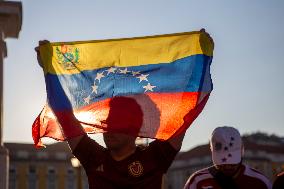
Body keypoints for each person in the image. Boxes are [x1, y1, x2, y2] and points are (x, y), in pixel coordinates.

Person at [35, 43, 187, 189]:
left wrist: (201, 55)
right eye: (107, 123)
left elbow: (184, 112)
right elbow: (64, 115)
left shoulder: (155, 157)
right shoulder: (93, 157)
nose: (108, 130)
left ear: (134, 130)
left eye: (117, 123)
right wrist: (49, 70)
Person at [183, 126, 272, 189]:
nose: (227, 166)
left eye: (232, 163)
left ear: (242, 152)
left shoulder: (260, 182)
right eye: (222, 163)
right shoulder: (197, 181)